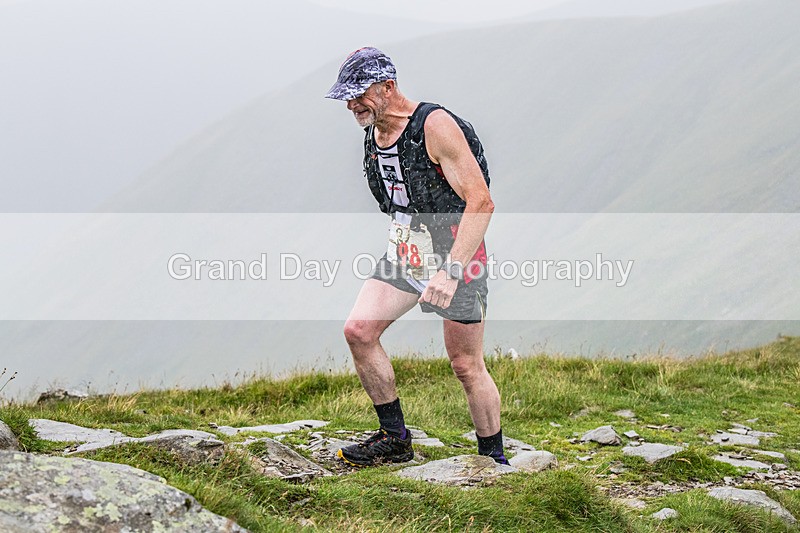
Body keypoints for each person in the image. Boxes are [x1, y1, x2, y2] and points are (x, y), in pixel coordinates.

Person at [324, 47, 506, 466]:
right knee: (358, 332)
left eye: (359, 94)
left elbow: (480, 202)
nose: (352, 104)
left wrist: (450, 271)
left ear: (388, 87)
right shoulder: (375, 130)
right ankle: (395, 439)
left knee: (465, 364)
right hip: (407, 251)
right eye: (347, 96)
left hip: (458, 253)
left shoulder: (435, 126)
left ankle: (493, 461)